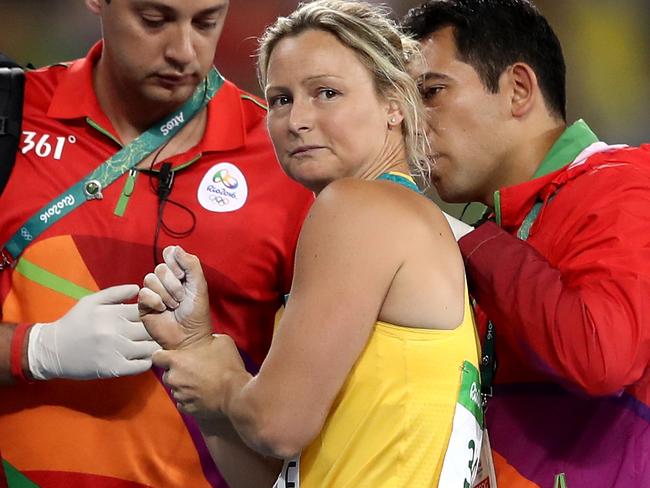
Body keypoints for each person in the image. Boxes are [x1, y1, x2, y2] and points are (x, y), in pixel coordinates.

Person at [138, 1, 483, 486]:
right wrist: (197, 351)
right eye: (280, 99)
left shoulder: (357, 209)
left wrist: (223, 380)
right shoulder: (398, 218)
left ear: (393, 103)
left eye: (326, 93)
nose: (296, 119)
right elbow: (272, 474)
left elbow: (275, 425)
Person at [0, 0, 312, 486]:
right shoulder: (11, 117)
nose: (184, 50)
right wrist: (38, 349)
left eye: (207, 22)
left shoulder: (286, 161)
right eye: (154, 20)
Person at [402, 1, 650, 486]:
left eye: (432, 92)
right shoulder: (504, 225)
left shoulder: (627, 185)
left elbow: (601, 356)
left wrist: (462, 238)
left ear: (518, 89)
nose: (412, 123)